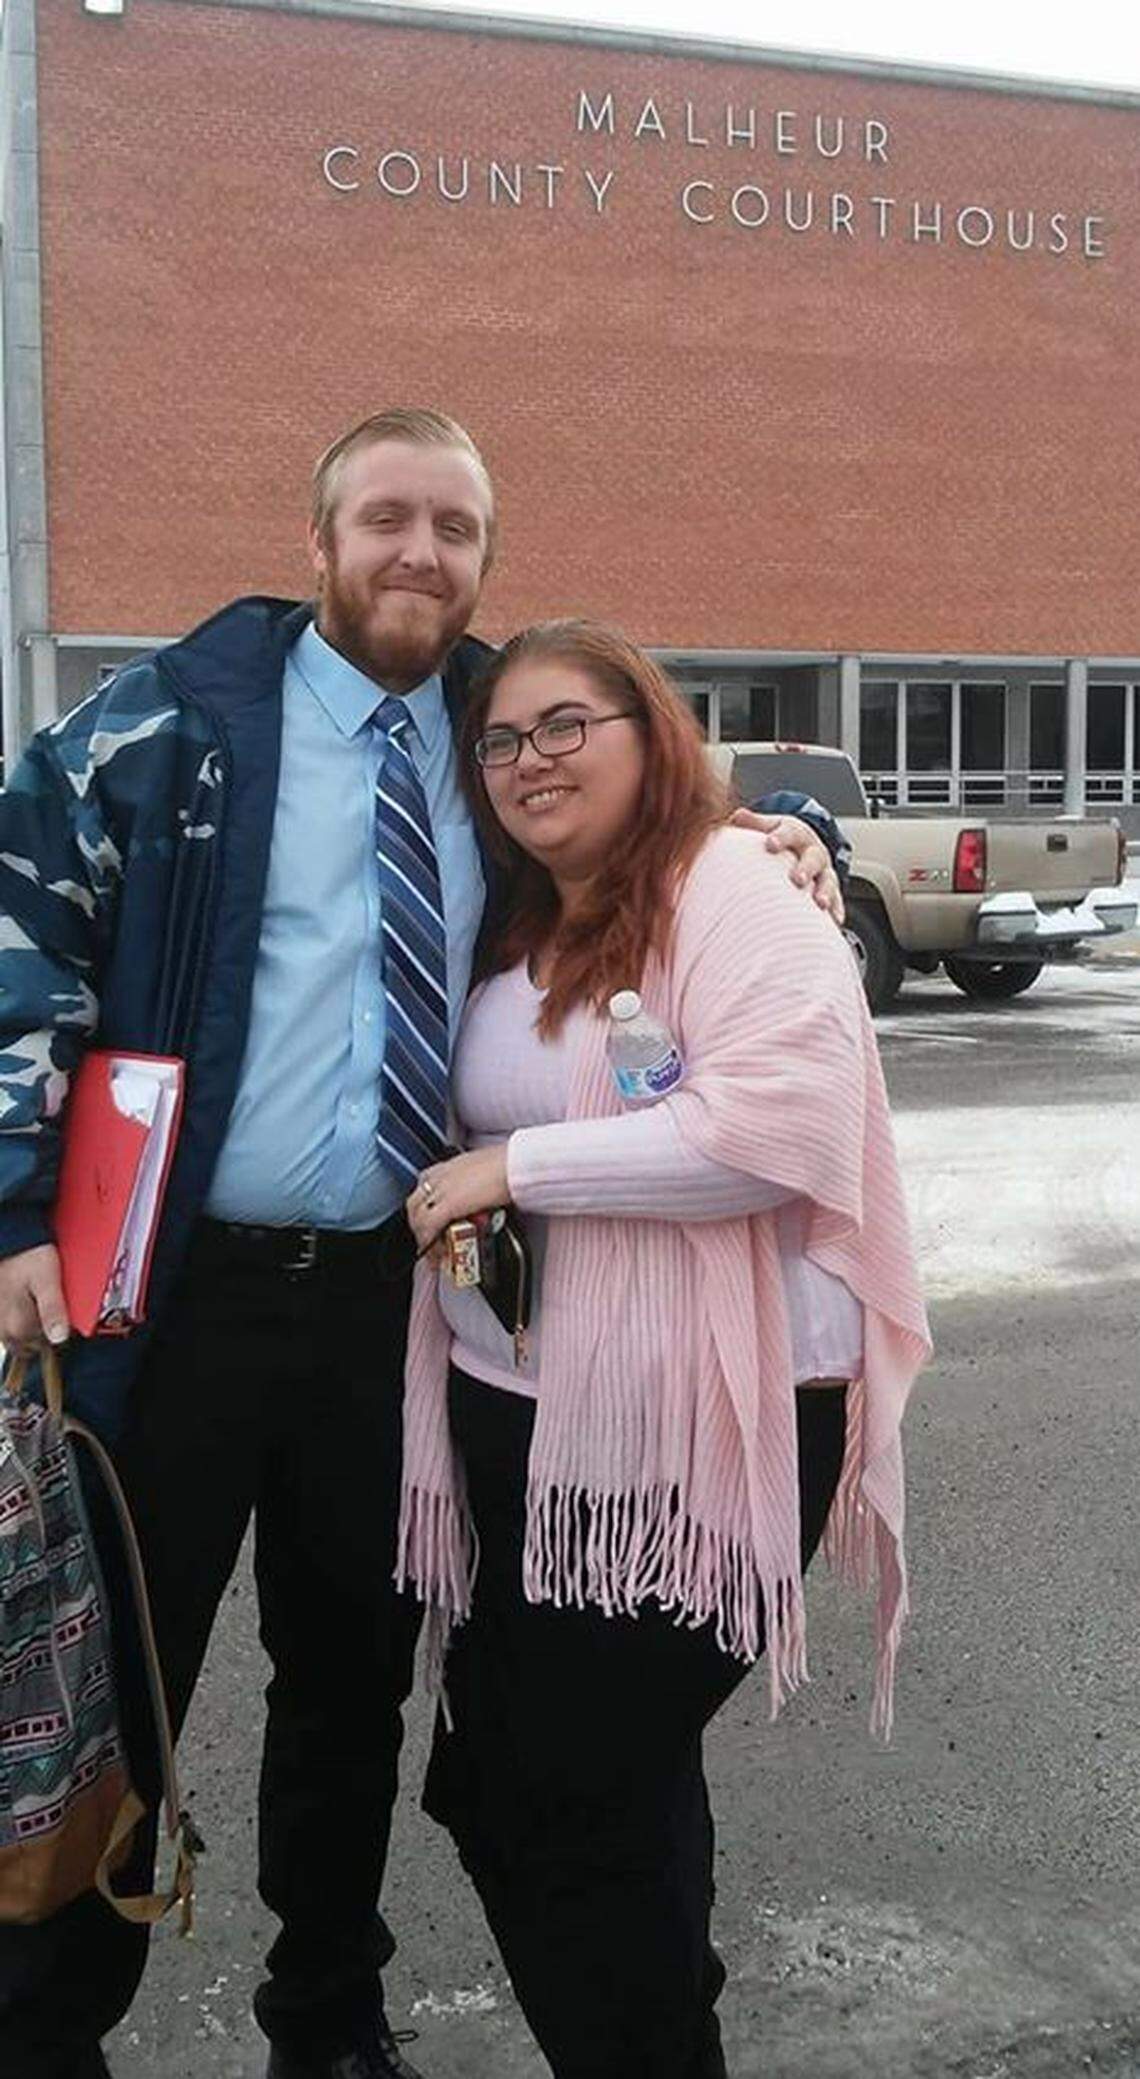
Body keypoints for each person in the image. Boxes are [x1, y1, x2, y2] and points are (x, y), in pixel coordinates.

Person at [0, 410, 843, 2079]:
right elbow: (23, 937)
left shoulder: (494, 732)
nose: (419, 555)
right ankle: (46, 2029)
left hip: (394, 1301)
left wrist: (753, 828)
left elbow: (628, 815)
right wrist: (17, 1204)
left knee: (348, 1685)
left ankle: (326, 2015)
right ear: (317, 541)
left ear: (484, 560)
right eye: (385, 519)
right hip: (169, 1294)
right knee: (119, 1674)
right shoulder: (162, 722)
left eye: (454, 529)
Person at [400, 620, 931, 2079]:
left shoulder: (731, 887)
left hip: (691, 1421)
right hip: (518, 1417)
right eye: (503, 741)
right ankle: (652, 2020)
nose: (531, 761)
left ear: (653, 732)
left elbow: (779, 1127)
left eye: (568, 725)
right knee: (566, 1788)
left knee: (557, 1790)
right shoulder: (524, 918)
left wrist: (519, 1170)